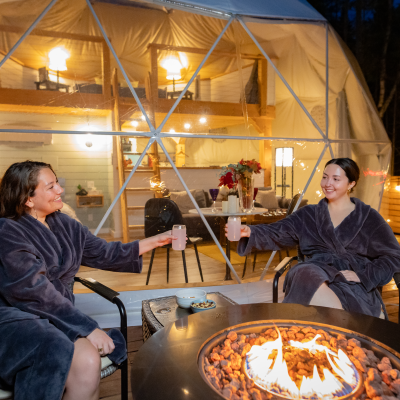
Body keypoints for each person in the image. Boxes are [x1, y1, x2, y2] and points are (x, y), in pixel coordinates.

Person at [0, 160, 176, 400]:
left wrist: (157, 240)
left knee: (89, 361)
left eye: (57, 183)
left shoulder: (64, 224)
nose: (60, 190)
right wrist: (88, 327)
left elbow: (106, 253)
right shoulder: (8, 231)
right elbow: (34, 292)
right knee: (54, 348)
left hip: (57, 315)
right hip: (17, 317)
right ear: (28, 199)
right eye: (51, 186)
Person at [233, 158, 400, 318]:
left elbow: (394, 256)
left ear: (351, 184)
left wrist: (364, 276)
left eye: (336, 179)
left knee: (305, 279)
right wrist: (250, 232)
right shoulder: (309, 214)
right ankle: (342, 327)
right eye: (325, 177)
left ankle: (337, 327)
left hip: (352, 282)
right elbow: (278, 231)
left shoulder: (368, 218)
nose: (327, 183)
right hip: (315, 273)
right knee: (304, 272)